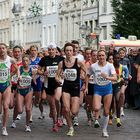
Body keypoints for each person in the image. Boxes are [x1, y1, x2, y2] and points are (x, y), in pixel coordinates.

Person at [55, 42, 87, 136]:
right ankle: (70, 128)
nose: (68, 52)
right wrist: (60, 79)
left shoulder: (78, 62)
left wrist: (82, 75)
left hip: (76, 87)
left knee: (74, 111)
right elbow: (56, 76)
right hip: (66, 87)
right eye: (67, 50)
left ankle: (71, 118)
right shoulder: (62, 63)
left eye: (70, 50)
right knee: (65, 108)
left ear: (73, 52)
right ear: (64, 52)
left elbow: (86, 72)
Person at [86, 50, 117, 137]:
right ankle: (97, 117)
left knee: (106, 112)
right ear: (97, 57)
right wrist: (87, 86)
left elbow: (115, 78)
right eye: (99, 55)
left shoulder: (110, 66)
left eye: (103, 55)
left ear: (106, 56)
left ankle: (104, 130)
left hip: (107, 89)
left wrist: (107, 77)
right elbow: (88, 75)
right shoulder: (93, 66)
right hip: (97, 89)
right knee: (96, 108)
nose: (101, 57)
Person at [38, 43, 64, 131]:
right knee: (52, 105)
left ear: (55, 50)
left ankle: (60, 116)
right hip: (48, 84)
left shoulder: (60, 59)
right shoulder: (44, 59)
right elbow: (38, 70)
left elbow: (66, 68)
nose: (51, 51)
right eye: (49, 50)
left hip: (58, 83)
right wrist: (42, 73)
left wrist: (63, 74)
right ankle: (55, 123)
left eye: (52, 49)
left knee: (57, 99)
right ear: (48, 50)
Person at [0, 43, 17, 136]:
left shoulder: (10, 59)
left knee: (6, 106)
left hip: (6, 85)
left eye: (3, 48)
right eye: (0, 48)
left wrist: (11, 75)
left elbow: (16, 68)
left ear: (6, 49)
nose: (1, 50)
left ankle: (4, 127)